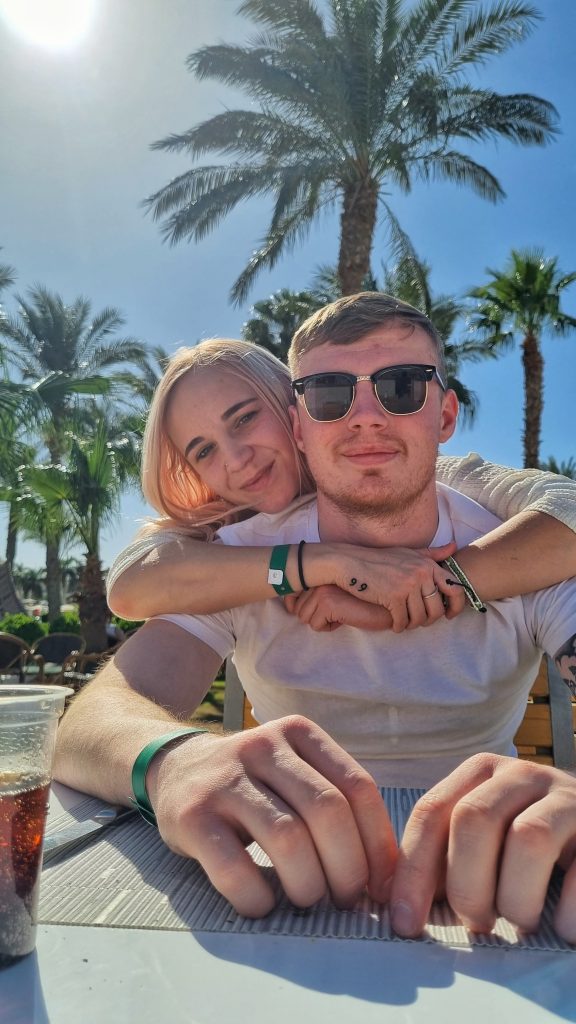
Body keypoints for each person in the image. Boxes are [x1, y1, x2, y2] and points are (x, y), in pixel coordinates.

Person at [55, 297, 576, 943]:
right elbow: (96, 715)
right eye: (330, 394)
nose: (366, 418)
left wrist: (439, 586)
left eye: (402, 387)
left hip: (497, 871)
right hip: (284, 877)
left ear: (445, 415)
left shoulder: (518, 541)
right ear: (301, 423)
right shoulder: (242, 560)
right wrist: (174, 761)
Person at [106, 339, 576, 632]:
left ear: (295, 413)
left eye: (245, 419)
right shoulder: (226, 532)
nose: (235, 459)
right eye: (204, 451)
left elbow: (566, 503)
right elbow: (129, 587)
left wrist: (440, 582)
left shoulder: (426, 479)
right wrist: (330, 564)